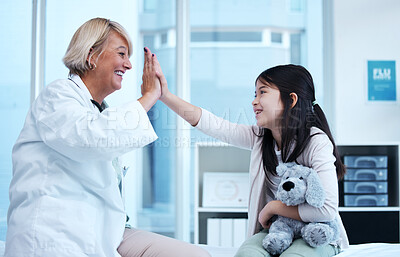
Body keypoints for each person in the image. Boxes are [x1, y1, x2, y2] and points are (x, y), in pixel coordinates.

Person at [5, 18, 210, 257]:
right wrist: (149, 97)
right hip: (55, 234)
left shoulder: (98, 110)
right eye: (121, 54)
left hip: (104, 229)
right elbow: (89, 139)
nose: (129, 65)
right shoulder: (57, 96)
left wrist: (157, 96)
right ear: (91, 55)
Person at [153, 56, 349, 256]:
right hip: (278, 230)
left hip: (317, 233)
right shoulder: (260, 138)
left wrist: (273, 208)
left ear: (291, 99)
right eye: (254, 94)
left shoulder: (316, 141)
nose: (254, 101)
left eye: (262, 92)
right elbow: (213, 124)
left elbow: (326, 210)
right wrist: (165, 95)